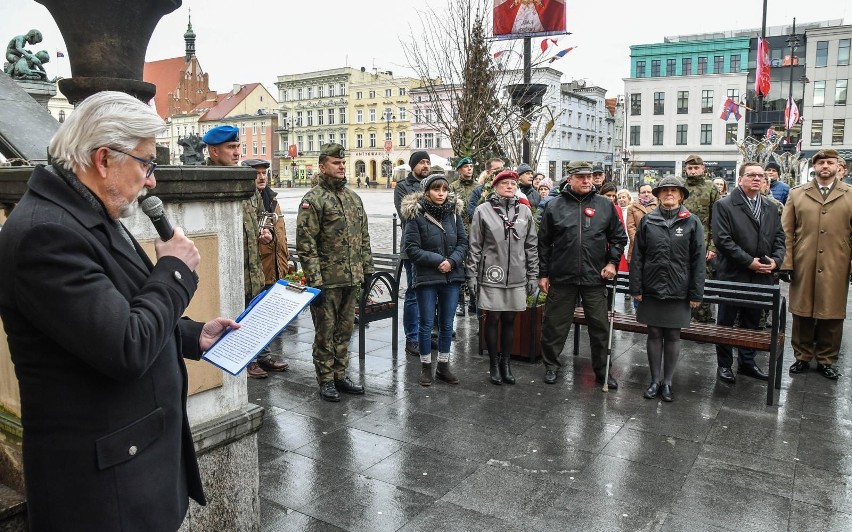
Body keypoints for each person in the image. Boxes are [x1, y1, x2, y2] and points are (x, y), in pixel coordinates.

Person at [0, 91, 238, 530]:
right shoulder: (45, 234)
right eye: (146, 163)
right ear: (104, 158)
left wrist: (190, 335)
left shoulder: (87, 213)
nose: (151, 181)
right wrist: (174, 272)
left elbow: (120, 309)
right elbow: (124, 346)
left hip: (134, 470)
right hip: (103, 493)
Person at [204, 126, 286, 379]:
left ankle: (262, 355)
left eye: (238, 147)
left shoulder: (243, 180)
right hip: (230, 268)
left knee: (256, 314)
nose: (237, 152)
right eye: (231, 147)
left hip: (254, 266)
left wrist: (263, 234)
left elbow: (257, 219)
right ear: (214, 150)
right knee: (234, 316)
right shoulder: (207, 180)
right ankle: (246, 359)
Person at [538, 161, 628, 387]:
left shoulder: (604, 205)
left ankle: (602, 371)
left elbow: (619, 238)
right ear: (570, 179)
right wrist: (543, 274)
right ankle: (551, 366)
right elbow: (544, 243)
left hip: (594, 277)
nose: (587, 180)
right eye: (581, 177)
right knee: (554, 325)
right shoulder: (555, 206)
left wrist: (612, 263)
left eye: (590, 176)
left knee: (599, 327)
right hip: (562, 276)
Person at [297, 143, 374, 401]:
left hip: (351, 278)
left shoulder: (353, 198)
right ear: (322, 167)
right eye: (335, 163)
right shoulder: (313, 200)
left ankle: (340, 375)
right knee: (325, 332)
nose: (341, 166)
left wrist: (367, 270)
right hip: (327, 281)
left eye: (343, 163)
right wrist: (315, 281)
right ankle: (326, 379)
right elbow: (306, 244)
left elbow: (364, 236)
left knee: (345, 330)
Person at [630, 176, 705, 402]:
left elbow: (698, 260)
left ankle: (668, 382)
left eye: (674, 191)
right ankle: (654, 381)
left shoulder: (692, 222)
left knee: (673, 334)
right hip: (651, 287)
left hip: (679, 289)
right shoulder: (648, 221)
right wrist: (636, 287)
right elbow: (638, 256)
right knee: (653, 333)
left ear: (681, 195)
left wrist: (696, 292)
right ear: (658, 195)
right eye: (664, 191)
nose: (669, 194)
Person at [712, 161, 785, 384]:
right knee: (726, 321)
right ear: (741, 178)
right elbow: (722, 240)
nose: (757, 179)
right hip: (734, 274)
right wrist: (748, 262)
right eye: (751, 175)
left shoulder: (770, 206)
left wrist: (776, 261)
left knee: (752, 321)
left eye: (761, 176)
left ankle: (747, 362)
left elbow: (780, 238)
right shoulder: (725, 205)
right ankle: (724, 365)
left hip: (762, 274)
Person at [781, 149, 852, 380]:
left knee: (832, 314)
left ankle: (826, 359)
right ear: (814, 166)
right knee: (801, 313)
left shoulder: (849, 194)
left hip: (836, 263)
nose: (825, 166)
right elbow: (786, 232)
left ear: (837, 166)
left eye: (830, 162)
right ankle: (802, 356)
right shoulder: (798, 194)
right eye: (821, 162)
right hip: (804, 261)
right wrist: (787, 263)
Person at [467, 170, 539, 385]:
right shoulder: (483, 211)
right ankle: (493, 364)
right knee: (494, 319)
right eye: (505, 183)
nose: (510, 186)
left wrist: (533, 274)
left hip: (517, 274)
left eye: (513, 183)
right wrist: (471, 273)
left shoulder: (524, 212)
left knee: (510, 319)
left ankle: (506, 363)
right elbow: (475, 245)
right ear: (495, 186)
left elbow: (531, 246)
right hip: (492, 274)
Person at [401, 173, 468, 386]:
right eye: (436, 189)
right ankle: (425, 367)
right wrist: (439, 260)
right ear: (427, 191)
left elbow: (463, 243)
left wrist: (453, 261)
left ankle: (443, 366)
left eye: (444, 190)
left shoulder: (454, 214)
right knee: (426, 323)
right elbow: (411, 248)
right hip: (427, 276)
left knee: (447, 324)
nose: (441, 194)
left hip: (451, 276)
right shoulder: (416, 214)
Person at [243, 160, 295, 367]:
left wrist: (286, 259)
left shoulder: (272, 199)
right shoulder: (246, 200)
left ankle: (264, 357)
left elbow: (280, 232)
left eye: (264, 173)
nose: (262, 177)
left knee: (266, 316)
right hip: (257, 267)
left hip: (276, 266)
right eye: (257, 174)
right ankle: (250, 360)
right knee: (251, 315)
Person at [395, 151, 430, 356]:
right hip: (413, 248)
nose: (425, 165)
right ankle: (412, 337)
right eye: (421, 162)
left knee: (431, 293)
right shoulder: (403, 187)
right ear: (413, 165)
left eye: (427, 162)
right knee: (413, 293)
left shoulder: (435, 183)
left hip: (435, 248)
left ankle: (427, 334)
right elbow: (407, 214)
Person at [682, 154, 721, 323]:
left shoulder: (711, 188)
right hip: (681, 242)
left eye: (696, 168)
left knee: (702, 281)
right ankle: (683, 318)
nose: (693, 171)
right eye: (690, 168)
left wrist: (713, 247)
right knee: (682, 280)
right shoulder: (680, 187)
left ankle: (703, 320)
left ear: (703, 168)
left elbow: (717, 220)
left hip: (703, 244)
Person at [450, 156, 477, 316]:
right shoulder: (452, 187)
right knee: (458, 268)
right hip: (458, 233)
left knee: (474, 267)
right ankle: (460, 302)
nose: (469, 169)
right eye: (466, 166)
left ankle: (474, 300)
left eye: (471, 166)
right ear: (459, 170)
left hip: (475, 233)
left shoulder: (479, 187)